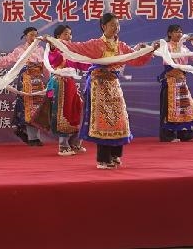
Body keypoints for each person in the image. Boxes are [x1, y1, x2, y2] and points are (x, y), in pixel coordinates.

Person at [59, 13, 157, 169]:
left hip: (114, 85)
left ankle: (115, 155)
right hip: (99, 85)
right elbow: (76, 47)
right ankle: (103, 159)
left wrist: (150, 50)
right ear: (103, 26)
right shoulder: (96, 44)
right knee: (104, 122)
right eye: (112, 25)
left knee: (119, 120)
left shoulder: (121, 46)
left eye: (117, 24)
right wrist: (55, 42)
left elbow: (136, 59)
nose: (116, 27)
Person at [0, 26, 46, 146]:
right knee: (27, 108)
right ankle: (32, 138)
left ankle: (35, 137)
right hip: (25, 81)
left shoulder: (41, 49)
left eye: (36, 35)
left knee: (37, 109)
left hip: (38, 82)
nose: (34, 37)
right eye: (31, 35)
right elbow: (6, 60)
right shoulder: (20, 50)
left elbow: (46, 65)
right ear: (25, 37)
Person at [35, 25, 89, 156]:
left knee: (76, 109)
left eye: (70, 34)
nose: (69, 36)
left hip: (70, 84)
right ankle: (63, 145)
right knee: (62, 112)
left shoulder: (71, 51)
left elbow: (82, 64)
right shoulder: (54, 50)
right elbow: (53, 58)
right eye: (66, 34)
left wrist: (99, 63)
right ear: (58, 36)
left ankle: (74, 142)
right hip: (58, 84)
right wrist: (52, 45)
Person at [158, 24, 193, 142]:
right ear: (169, 34)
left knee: (185, 107)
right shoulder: (165, 46)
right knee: (169, 108)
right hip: (170, 81)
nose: (179, 34)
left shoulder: (185, 49)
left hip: (181, 82)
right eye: (176, 31)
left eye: (180, 31)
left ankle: (185, 134)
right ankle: (168, 135)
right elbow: (157, 53)